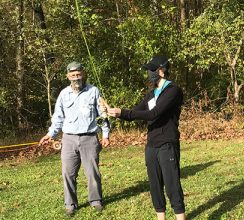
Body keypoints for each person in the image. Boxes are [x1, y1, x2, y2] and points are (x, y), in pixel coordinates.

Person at [107, 55, 186, 220]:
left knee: (172, 184)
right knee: (155, 185)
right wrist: (116, 112)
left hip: (167, 143)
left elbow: (153, 113)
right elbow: (135, 112)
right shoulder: (151, 94)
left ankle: (180, 217)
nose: (150, 73)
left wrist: (123, 112)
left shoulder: (173, 91)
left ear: (162, 71)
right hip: (151, 145)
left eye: (152, 70)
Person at [39, 61, 110, 216]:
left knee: (92, 173)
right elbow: (58, 118)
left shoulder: (94, 91)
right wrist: (50, 134)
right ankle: (70, 204)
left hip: (89, 138)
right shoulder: (64, 94)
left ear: (83, 74)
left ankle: (96, 200)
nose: (76, 77)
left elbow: (102, 114)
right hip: (68, 140)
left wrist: (105, 134)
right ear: (68, 76)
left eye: (78, 74)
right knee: (68, 173)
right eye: (72, 75)